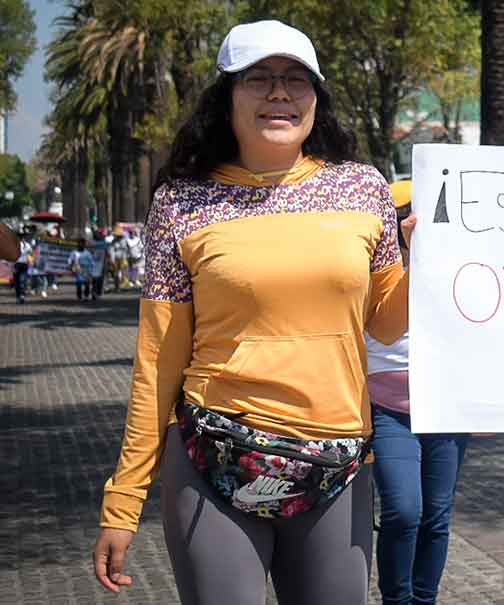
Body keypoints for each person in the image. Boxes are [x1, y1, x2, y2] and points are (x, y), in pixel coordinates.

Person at [90, 20, 410, 605]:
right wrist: (123, 500)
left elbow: (387, 324)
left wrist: (430, 264)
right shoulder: (182, 204)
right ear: (227, 97)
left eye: (295, 79)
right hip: (214, 459)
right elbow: (158, 360)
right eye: (259, 79)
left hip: (337, 465)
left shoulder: (365, 190)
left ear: (316, 96)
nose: (280, 93)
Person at [368, 179, 469, 605]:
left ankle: (423, 601)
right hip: (387, 407)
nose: (412, 221)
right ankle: (397, 600)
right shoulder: (371, 266)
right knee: (404, 510)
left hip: (447, 405)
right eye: (403, 213)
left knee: (436, 517)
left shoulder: (462, 268)